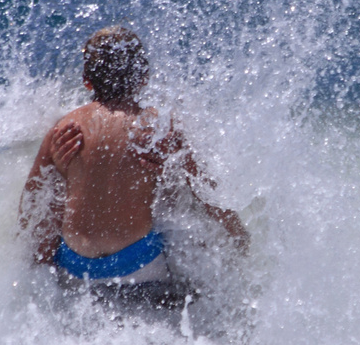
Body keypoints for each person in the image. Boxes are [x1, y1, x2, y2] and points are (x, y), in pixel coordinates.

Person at [20, 25, 249, 317]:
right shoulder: (156, 128)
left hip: (76, 266)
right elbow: (207, 193)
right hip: (139, 266)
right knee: (182, 226)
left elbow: (31, 205)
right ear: (143, 78)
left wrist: (40, 261)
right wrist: (240, 239)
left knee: (54, 193)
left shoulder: (64, 129)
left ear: (86, 82)